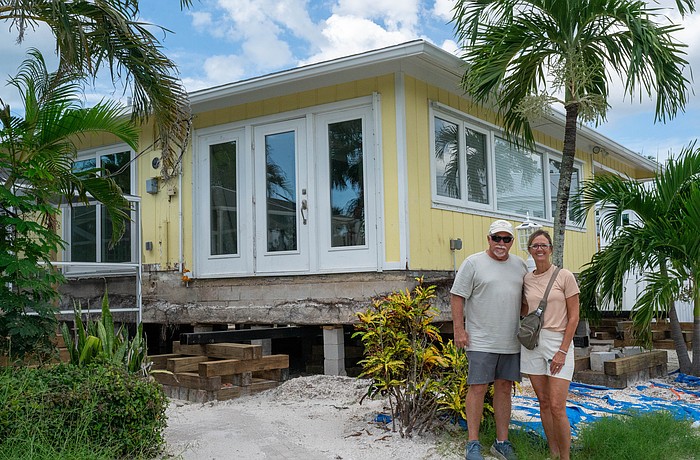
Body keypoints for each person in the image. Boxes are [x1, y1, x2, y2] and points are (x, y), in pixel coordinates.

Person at [451, 220, 528, 460]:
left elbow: (525, 301)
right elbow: (456, 296)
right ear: (489, 239)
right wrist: (458, 330)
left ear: (512, 242)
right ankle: (472, 443)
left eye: (506, 239)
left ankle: (501, 442)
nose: (501, 244)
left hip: (510, 341)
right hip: (481, 340)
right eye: (497, 238)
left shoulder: (520, 265)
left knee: (504, 389)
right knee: (478, 388)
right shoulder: (473, 263)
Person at [520, 229, 580, 460]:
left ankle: (565, 456)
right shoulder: (526, 278)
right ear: (530, 250)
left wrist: (563, 350)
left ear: (551, 249)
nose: (540, 249)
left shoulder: (564, 276)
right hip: (534, 342)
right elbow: (525, 309)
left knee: (557, 405)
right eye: (535, 245)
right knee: (543, 402)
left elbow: (574, 317)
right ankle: (553, 452)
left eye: (544, 245)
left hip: (558, 340)